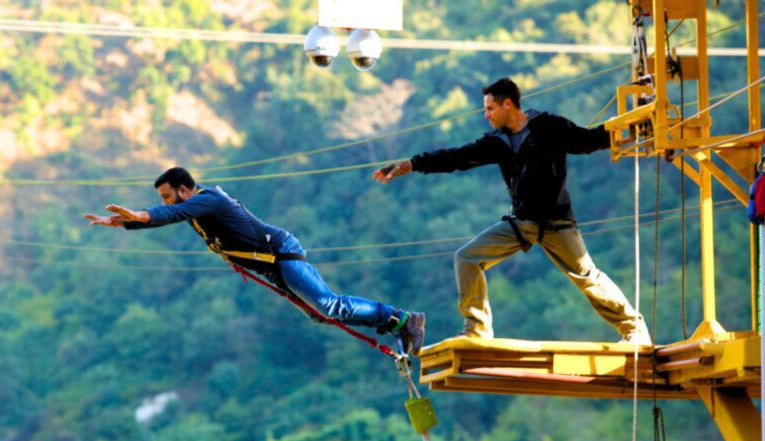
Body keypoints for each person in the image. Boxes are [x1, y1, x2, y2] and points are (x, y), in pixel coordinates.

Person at [373, 77, 651, 344]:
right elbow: (456, 157)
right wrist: (411, 164)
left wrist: (630, 125)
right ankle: (477, 330)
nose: (487, 115)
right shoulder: (497, 142)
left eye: (490, 108)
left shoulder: (549, 127)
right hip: (522, 223)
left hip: (557, 223)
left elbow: (587, 141)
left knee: (589, 278)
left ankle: (634, 330)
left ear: (508, 104)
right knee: (466, 258)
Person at [85, 167, 427, 354]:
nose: (166, 202)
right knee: (319, 315)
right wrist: (128, 221)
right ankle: (395, 325)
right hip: (272, 265)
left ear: (184, 191)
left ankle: (403, 319)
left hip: (281, 255)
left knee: (329, 306)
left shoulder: (208, 200)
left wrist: (141, 215)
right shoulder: (195, 207)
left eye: (167, 196)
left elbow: (167, 215)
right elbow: (167, 214)